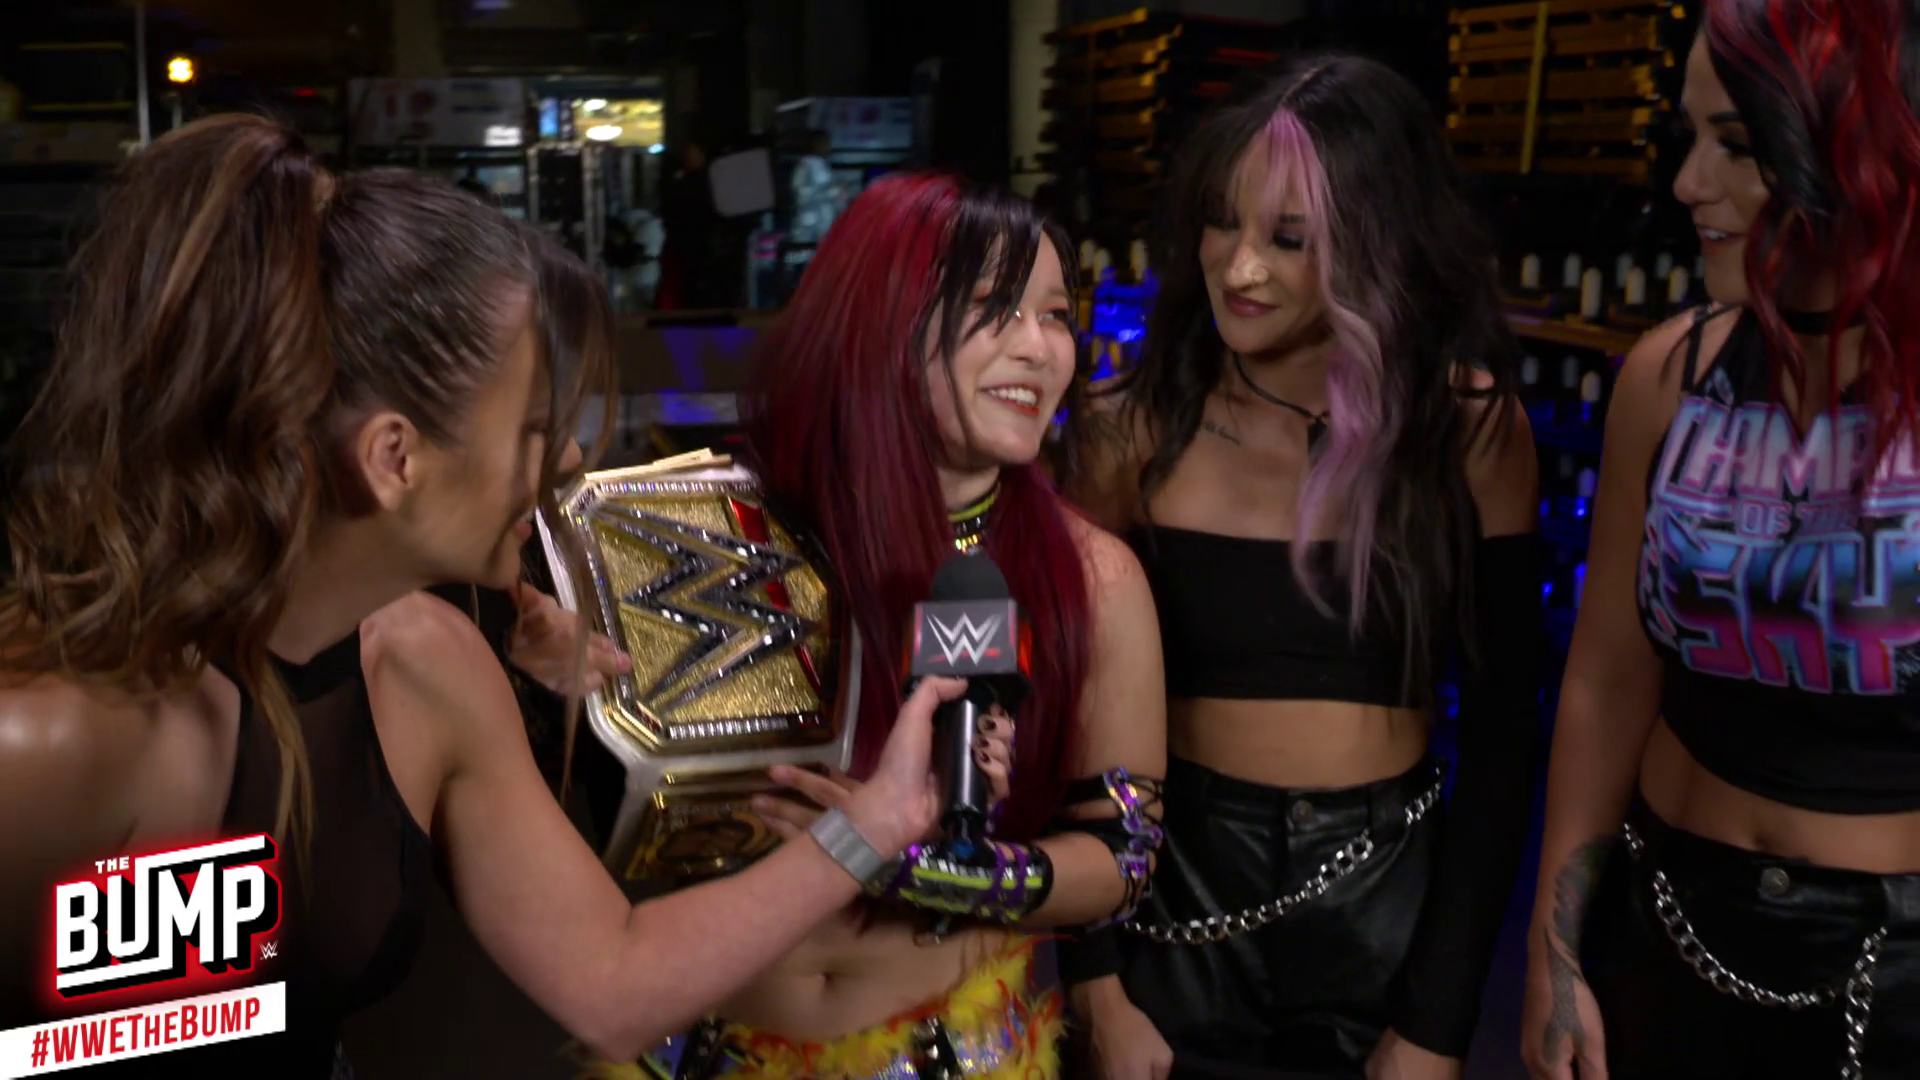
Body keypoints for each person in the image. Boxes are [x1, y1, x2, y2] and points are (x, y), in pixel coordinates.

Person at [0, 114, 965, 1077]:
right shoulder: (52, 733)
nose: (571, 459)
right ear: (394, 458)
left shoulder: (432, 667)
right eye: (535, 427)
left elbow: (613, 982)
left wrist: (873, 825)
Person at [578, 172, 1167, 1080]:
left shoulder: (1094, 577)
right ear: (884, 320)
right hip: (692, 1051)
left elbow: (1122, 856)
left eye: (1055, 316)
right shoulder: (720, 537)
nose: (1038, 347)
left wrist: (914, 866)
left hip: (951, 1055)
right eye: (994, 309)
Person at [1059, 53, 1542, 1078]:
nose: (1238, 269)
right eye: (1220, 224)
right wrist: (1095, 982)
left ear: (1377, 242)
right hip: (1172, 893)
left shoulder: (1466, 428)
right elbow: (1069, 708)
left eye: (1288, 238)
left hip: (1383, 902)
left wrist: (1441, 1019)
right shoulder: (1127, 430)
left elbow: (1506, 739)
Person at [1520, 3, 1920, 1078]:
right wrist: (1556, 953)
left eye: (1738, 147)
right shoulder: (1669, 377)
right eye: (1690, 138)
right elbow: (1605, 685)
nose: (1689, 183)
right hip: (1666, 928)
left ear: (1855, 151)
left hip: (1891, 975)